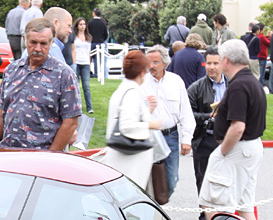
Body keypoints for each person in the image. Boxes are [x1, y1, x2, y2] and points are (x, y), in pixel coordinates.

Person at [198, 39, 265, 220]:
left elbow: (238, 127)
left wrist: (222, 152)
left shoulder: (238, 86)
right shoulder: (252, 81)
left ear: (226, 60)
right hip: (251, 147)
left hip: (238, 148)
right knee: (245, 205)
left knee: (214, 202)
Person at [0, 17, 81, 150]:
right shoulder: (12, 70)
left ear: (51, 43)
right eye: (33, 42)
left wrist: (50, 156)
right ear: (24, 40)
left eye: (43, 43)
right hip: (8, 153)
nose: (38, 48)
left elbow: (71, 123)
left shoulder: (64, 75)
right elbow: (1, 112)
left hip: (41, 158)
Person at [103, 49, 167, 192]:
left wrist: (148, 110)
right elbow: (127, 125)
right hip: (130, 161)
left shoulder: (123, 90)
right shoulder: (132, 93)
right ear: (142, 72)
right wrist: (151, 124)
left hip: (123, 159)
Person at [141, 45, 195, 198]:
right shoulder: (141, 83)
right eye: (149, 62)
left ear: (165, 63)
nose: (151, 66)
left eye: (156, 62)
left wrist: (186, 139)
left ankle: (157, 204)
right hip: (148, 137)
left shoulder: (176, 81)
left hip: (170, 136)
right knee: (147, 180)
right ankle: (151, 212)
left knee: (171, 181)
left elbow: (185, 112)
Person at [187, 47, 228, 218]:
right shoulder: (196, 88)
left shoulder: (233, 84)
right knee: (203, 179)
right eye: (208, 63)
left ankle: (226, 213)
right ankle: (206, 216)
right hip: (204, 139)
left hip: (227, 139)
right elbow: (187, 115)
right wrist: (208, 116)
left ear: (222, 63)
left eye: (215, 63)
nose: (211, 67)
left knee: (226, 179)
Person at [72, 17, 93, 113]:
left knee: (86, 86)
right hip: (77, 62)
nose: (82, 26)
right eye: (80, 24)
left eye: (84, 24)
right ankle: (77, 105)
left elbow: (88, 51)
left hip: (85, 63)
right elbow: (73, 50)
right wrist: (74, 62)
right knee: (75, 86)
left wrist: (89, 62)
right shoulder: (74, 36)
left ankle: (89, 107)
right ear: (77, 25)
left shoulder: (88, 37)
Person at [87, 8, 108, 80]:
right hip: (100, 43)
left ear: (94, 13)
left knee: (88, 59)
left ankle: (88, 72)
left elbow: (87, 33)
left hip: (91, 43)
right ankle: (96, 74)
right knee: (97, 60)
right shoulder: (103, 23)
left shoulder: (89, 23)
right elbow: (106, 34)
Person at [255, 23, 270, 87]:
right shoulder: (262, 37)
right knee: (261, 74)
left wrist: (266, 36)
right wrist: (270, 36)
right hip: (263, 56)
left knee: (256, 73)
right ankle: (260, 87)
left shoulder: (256, 36)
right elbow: (269, 43)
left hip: (256, 57)